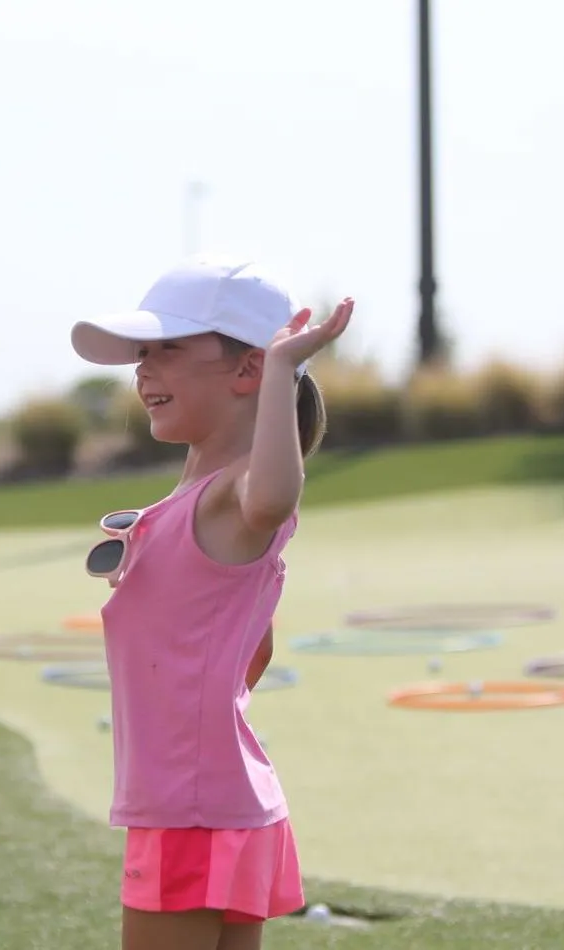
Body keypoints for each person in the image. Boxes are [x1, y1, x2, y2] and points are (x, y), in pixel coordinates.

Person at [71, 255, 353, 950]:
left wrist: (286, 369)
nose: (143, 371)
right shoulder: (186, 507)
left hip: (185, 809)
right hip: (217, 797)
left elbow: (273, 497)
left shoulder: (237, 492)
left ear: (246, 371)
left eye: (167, 350)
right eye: (141, 354)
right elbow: (251, 649)